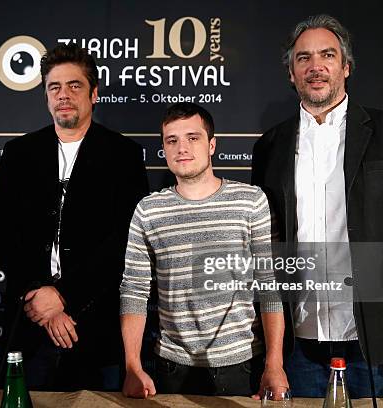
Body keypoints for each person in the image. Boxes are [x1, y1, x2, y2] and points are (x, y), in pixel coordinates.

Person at [251, 14, 383, 398]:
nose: (315, 67)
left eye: (327, 56)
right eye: (303, 58)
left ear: (346, 67)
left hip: (378, 343)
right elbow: (265, 246)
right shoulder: (270, 146)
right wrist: (270, 352)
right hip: (297, 345)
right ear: (291, 73)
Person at [0, 43, 149, 391]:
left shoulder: (124, 155)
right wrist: (38, 296)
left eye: (74, 86)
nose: (64, 95)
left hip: (94, 327)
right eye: (54, 87)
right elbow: (3, 235)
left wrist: (63, 297)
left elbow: (124, 241)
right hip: (30, 324)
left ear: (94, 94)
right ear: (46, 95)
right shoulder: (19, 154)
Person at [120, 102, 288, 398]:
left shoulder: (250, 201)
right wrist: (133, 366)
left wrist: (275, 363)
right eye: (172, 140)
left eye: (192, 138)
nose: (182, 147)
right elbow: (134, 290)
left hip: (242, 364)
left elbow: (269, 286)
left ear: (211, 145)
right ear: (163, 148)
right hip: (171, 367)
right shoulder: (148, 211)